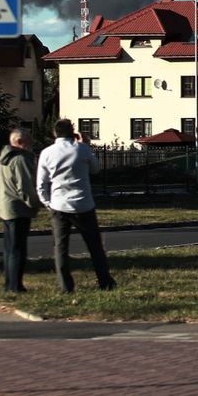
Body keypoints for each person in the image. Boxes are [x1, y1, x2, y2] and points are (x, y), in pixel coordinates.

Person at [36, 118, 116, 292]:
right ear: (72, 132)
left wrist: (47, 202)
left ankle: (66, 285)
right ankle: (105, 281)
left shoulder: (47, 153)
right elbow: (95, 169)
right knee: (95, 246)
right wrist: (85, 144)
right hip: (83, 204)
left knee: (60, 248)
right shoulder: (82, 149)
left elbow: (41, 183)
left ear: (54, 133)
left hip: (59, 204)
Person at [0, 127, 39, 293]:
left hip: (5, 205)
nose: (32, 144)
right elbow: (25, 186)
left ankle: (9, 283)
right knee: (18, 248)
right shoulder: (20, 159)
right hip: (18, 207)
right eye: (29, 140)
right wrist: (36, 203)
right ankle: (15, 286)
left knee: (9, 247)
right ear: (20, 142)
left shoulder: (4, 157)